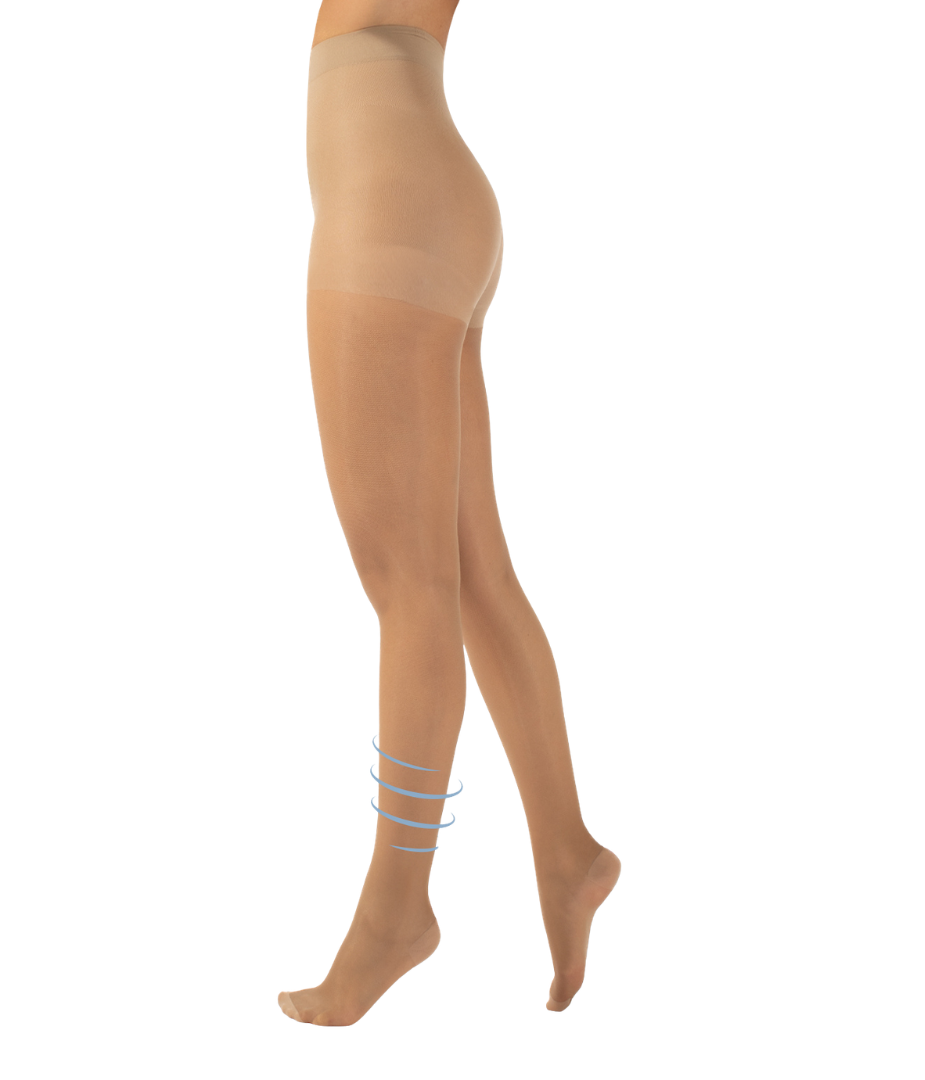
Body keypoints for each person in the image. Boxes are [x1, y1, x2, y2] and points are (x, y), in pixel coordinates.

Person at [278, 0, 620, 1026]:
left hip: (389, 194)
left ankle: (397, 910)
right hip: (424, 183)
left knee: (408, 588)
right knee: (469, 578)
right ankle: (566, 851)